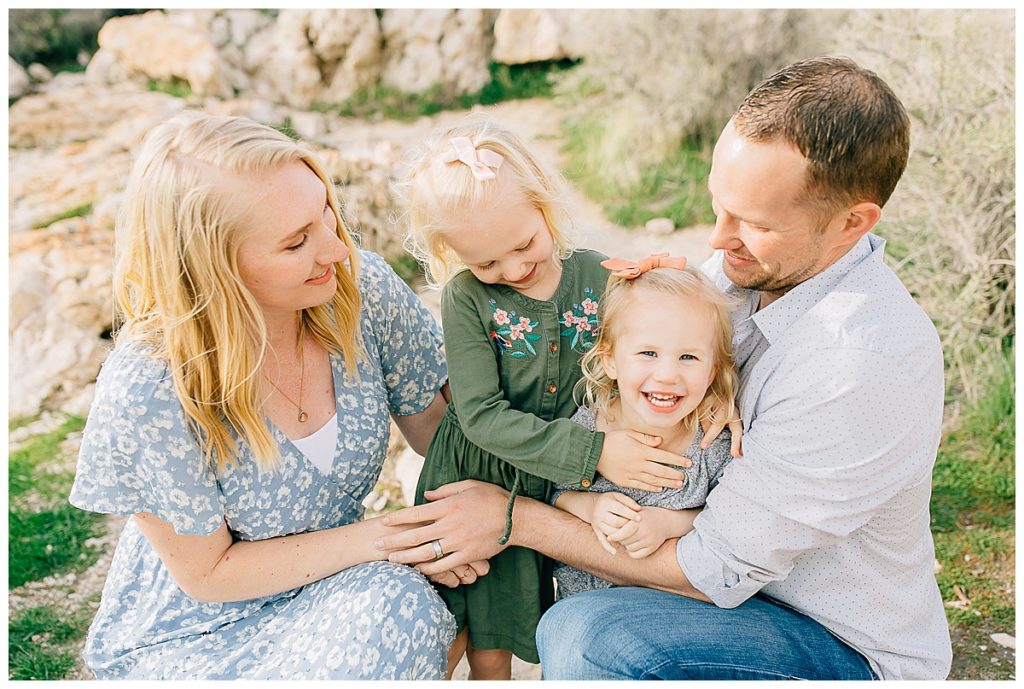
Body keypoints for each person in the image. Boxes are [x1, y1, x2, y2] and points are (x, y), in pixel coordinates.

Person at [377, 56, 953, 680]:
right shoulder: (743, 277)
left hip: (826, 637)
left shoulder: (859, 364)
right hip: (727, 596)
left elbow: (714, 571)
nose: (716, 240)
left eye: (754, 224)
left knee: (591, 636)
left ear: (852, 223)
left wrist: (511, 519)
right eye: (718, 205)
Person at [68, 112, 464, 680]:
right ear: (215, 269)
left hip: (343, 583)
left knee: (399, 601)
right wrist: (388, 537)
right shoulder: (148, 388)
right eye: (296, 242)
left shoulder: (361, 289)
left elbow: (442, 430)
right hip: (197, 634)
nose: (335, 248)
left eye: (325, 209)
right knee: (395, 593)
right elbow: (208, 573)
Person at [399, 122, 715, 679]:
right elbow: (479, 415)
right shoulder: (465, 298)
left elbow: (657, 332)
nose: (514, 270)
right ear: (453, 255)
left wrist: (711, 381)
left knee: (546, 593)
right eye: (487, 263)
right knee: (475, 614)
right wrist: (595, 452)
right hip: (485, 464)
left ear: (545, 205)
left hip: (560, 473)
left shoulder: (598, 275)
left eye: (523, 246)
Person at [551, 256, 739, 598]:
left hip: (675, 607)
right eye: (648, 353)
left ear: (712, 371)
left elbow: (723, 522)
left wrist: (668, 524)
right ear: (610, 360)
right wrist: (591, 508)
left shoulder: (711, 445)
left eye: (688, 357)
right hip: (587, 605)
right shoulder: (588, 428)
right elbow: (556, 494)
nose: (667, 375)